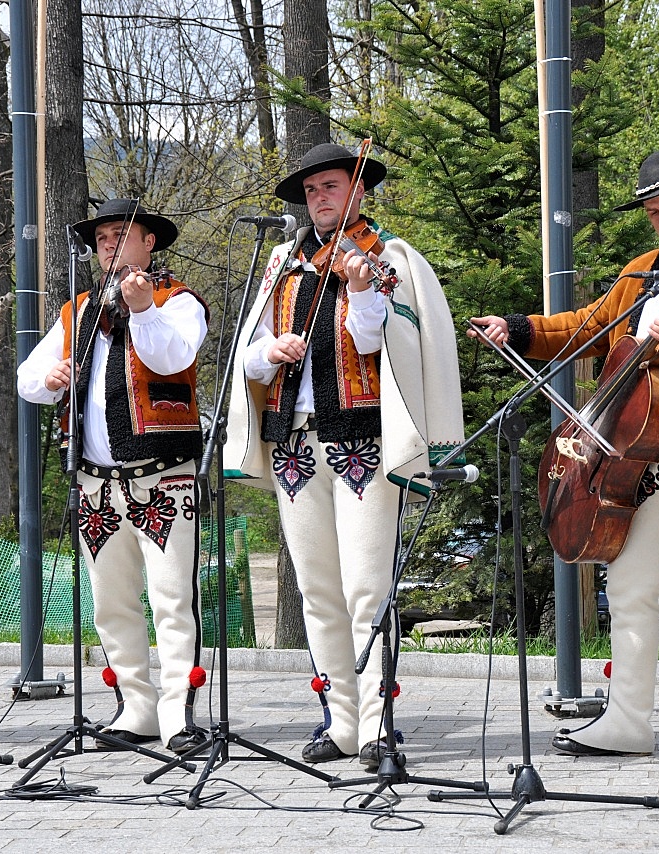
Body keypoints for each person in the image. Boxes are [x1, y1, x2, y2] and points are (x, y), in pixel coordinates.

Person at [470, 151, 659, 764]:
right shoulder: (641, 273)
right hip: (642, 457)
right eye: (654, 212)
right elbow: (589, 326)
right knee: (630, 588)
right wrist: (518, 329)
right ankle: (628, 720)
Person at [225, 143, 465, 768]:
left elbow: (380, 344)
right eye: (311, 191)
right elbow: (247, 355)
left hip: (362, 441)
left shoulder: (389, 257)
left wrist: (360, 291)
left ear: (358, 191)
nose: (319, 199)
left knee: (365, 587)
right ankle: (340, 719)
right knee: (317, 589)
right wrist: (269, 351)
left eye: (330, 186)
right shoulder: (282, 263)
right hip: (294, 443)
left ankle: (378, 724)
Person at [17, 199, 209, 755]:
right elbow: (29, 378)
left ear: (150, 243)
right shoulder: (77, 311)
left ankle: (178, 713)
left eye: (121, 235)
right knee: (111, 602)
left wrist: (143, 308)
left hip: (162, 475)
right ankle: (136, 707)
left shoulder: (179, 301)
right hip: (94, 479)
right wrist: (51, 377)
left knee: (172, 598)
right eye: (101, 238)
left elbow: (171, 358)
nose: (108, 245)